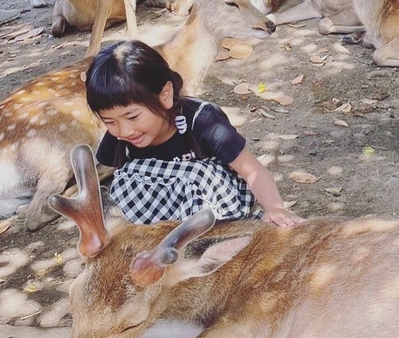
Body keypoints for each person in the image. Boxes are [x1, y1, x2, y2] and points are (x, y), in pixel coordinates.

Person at [86, 40, 305, 226]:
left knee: (199, 174)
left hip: (215, 213)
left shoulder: (204, 122)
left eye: (132, 117)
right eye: (109, 121)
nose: (124, 130)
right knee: (123, 180)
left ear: (165, 95)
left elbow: (252, 170)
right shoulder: (120, 138)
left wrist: (275, 208)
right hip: (160, 226)